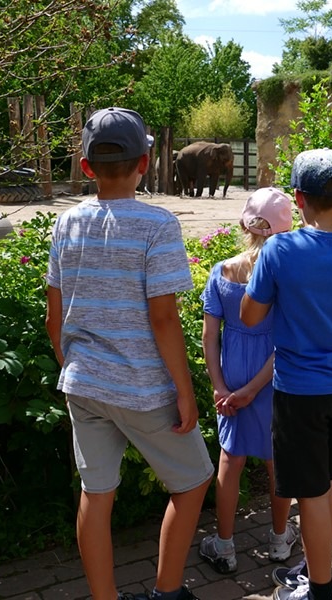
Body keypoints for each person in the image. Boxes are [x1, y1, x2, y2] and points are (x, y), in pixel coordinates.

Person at [45, 107, 213, 600]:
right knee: (193, 481)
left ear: (85, 166)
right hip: (143, 388)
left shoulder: (66, 224)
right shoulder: (158, 226)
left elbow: (53, 317)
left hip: (83, 383)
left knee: (96, 495)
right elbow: (163, 320)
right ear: (146, 161)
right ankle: (166, 592)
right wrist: (185, 391)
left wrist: (72, 365)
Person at [241, 149, 332, 600]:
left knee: (311, 494)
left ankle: (320, 589)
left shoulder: (281, 249)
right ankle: (315, 567)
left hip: (301, 391)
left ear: (299, 198)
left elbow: (249, 316)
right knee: (329, 487)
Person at [198, 187, 299, 575]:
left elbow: (210, 336)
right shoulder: (286, 277)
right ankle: (278, 540)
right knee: (277, 462)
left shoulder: (222, 272)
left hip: (232, 371)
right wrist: (253, 389)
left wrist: (221, 386)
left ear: (245, 224)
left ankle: (224, 546)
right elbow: (287, 340)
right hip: (272, 376)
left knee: (230, 459)